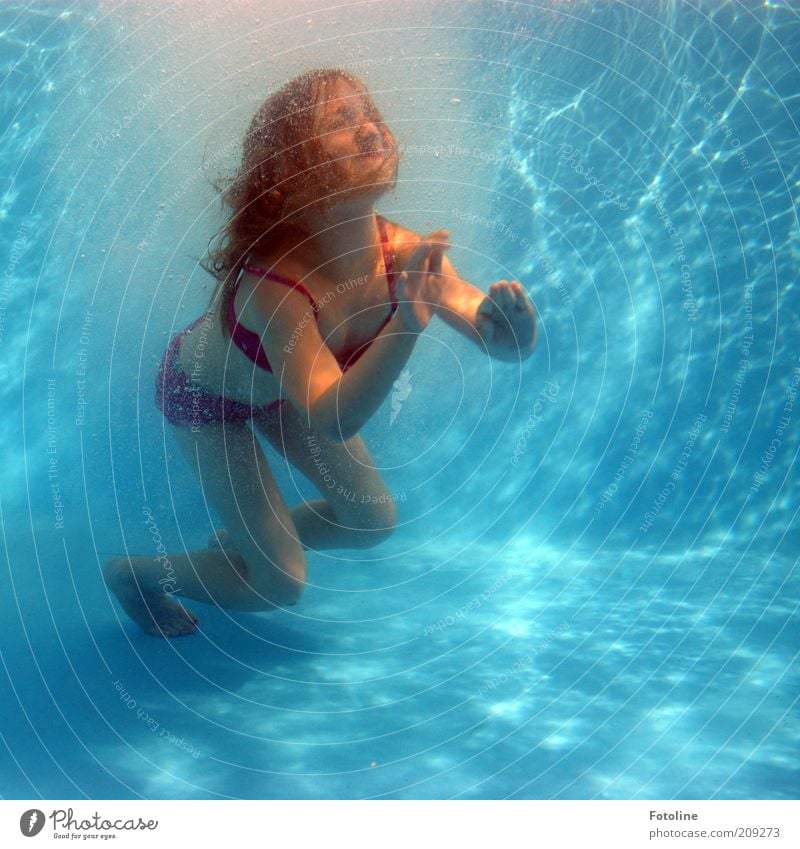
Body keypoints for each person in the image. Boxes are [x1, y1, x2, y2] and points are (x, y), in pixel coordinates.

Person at [104, 68, 537, 637]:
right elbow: (333, 418)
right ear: (288, 170)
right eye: (341, 121)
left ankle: (251, 541)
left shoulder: (403, 252)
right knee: (279, 584)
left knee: (371, 519)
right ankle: (133, 575)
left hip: (288, 388)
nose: (370, 129)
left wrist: (511, 337)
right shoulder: (275, 285)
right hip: (209, 397)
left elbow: (483, 325)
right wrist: (404, 327)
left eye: (371, 114)